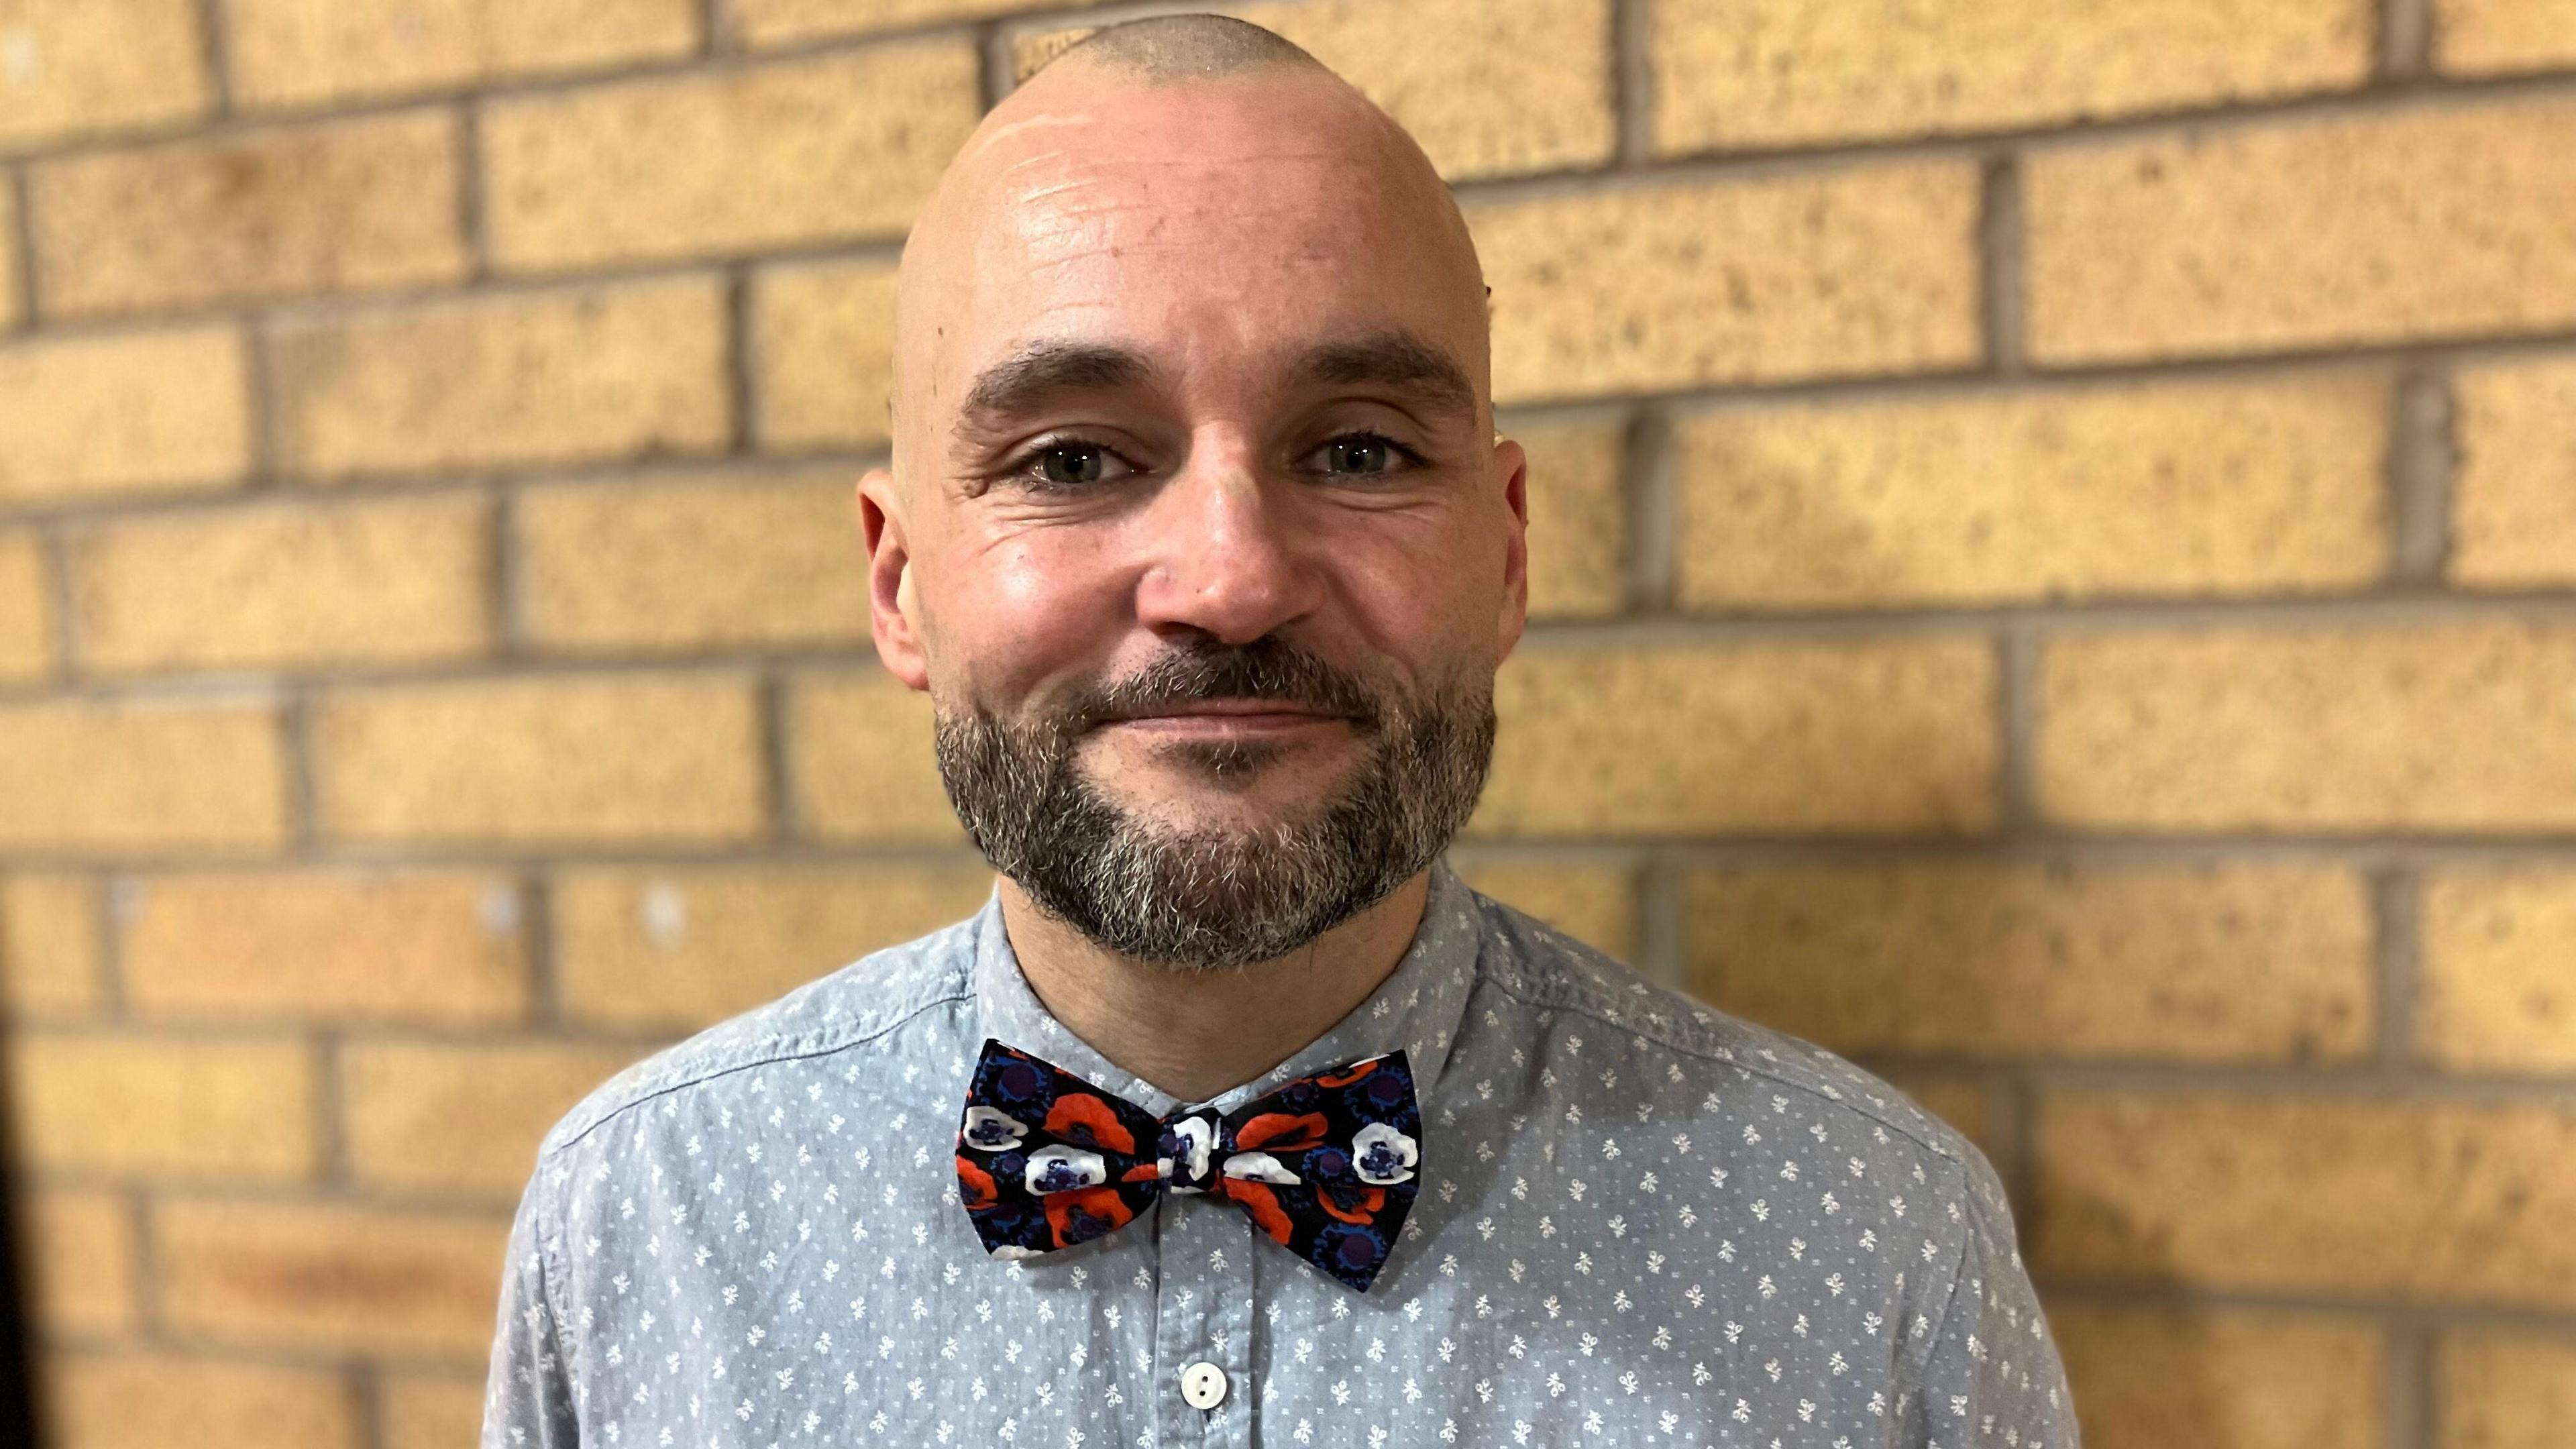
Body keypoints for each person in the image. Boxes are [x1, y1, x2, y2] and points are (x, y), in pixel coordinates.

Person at [481, 14, 2078, 1446]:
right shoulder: (643, 1222)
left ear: (1507, 555)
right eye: (1074, 461)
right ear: (902, 584)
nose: (1231, 582)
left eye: (1365, 450)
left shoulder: (1871, 1245)